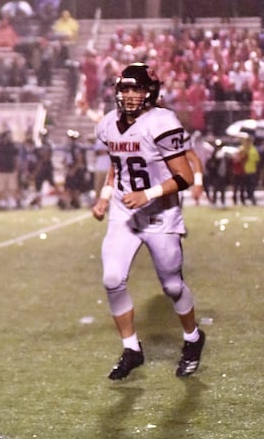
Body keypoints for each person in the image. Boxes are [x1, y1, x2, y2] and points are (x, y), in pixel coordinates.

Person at [91, 63, 206, 380]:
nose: (130, 95)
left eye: (137, 89)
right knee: (113, 278)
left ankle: (193, 339)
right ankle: (132, 349)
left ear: (150, 91)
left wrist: (149, 194)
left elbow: (183, 176)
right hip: (124, 210)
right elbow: (118, 164)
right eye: (125, 89)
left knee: (171, 285)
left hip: (160, 212)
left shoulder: (162, 121)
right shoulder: (108, 124)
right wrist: (104, 195)